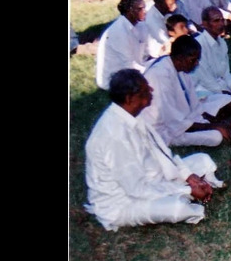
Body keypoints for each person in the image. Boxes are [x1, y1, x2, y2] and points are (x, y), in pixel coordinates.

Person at [84, 69, 223, 231]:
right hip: (123, 202)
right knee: (177, 208)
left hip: (155, 179)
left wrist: (189, 176)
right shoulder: (114, 135)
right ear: (130, 98)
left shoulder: (132, 116)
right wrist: (186, 189)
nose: (151, 91)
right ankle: (187, 196)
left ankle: (190, 190)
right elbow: (136, 190)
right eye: (145, 90)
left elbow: (162, 153)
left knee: (203, 160)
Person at [141, 35, 231, 147]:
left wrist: (217, 124)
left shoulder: (181, 70)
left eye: (197, 60)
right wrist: (214, 127)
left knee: (226, 102)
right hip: (164, 131)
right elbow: (174, 123)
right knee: (216, 137)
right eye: (193, 60)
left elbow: (195, 108)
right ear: (180, 58)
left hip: (183, 119)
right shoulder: (160, 76)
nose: (196, 64)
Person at [95, 0, 150, 90]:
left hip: (134, 69)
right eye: (140, 9)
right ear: (130, 11)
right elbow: (129, 63)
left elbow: (146, 53)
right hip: (114, 78)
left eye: (144, 8)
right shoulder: (118, 31)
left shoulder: (141, 26)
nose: (144, 12)